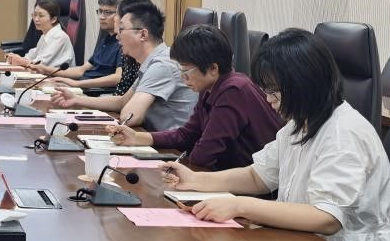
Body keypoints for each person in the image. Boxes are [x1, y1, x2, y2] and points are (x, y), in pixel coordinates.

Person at [162, 28, 390, 241]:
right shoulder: (299, 124)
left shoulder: (344, 133)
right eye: (266, 91)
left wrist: (239, 205)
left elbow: (326, 217)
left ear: (303, 85)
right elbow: (258, 176)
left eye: (274, 91)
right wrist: (196, 179)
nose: (268, 99)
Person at [108, 25, 281, 170]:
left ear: (213, 68)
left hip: (252, 187)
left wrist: (180, 171)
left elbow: (205, 153)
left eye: (186, 71)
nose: (183, 78)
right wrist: (137, 138)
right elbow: (187, 134)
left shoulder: (234, 90)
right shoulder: (209, 87)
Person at [50, 0, 196, 130]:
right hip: (150, 137)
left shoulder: (162, 65)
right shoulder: (152, 61)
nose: (117, 36)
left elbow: (129, 117)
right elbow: (122, 101)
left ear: (143, 34)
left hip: (169, 146)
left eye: (121, 29)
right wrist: (76, 99)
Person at [50, 0, 127, 90]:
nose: (101, 17)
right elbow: (80, 71)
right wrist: (47, 71)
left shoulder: (123, 44)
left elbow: (118, 77)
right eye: (100, 11)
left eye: (108, 13)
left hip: (96, 91)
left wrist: (77, 84)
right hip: (84, 85)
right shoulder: (105, 40)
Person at [7, 0, 75, 73]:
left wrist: (21, 61)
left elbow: (38, 65)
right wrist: (15, 58)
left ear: (53, 19)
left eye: (41, 16)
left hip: (58, 79)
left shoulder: (60, 37)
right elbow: (32, 56)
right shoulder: (44, 36)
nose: (36, 19)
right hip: (45, 76)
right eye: (34, 15)